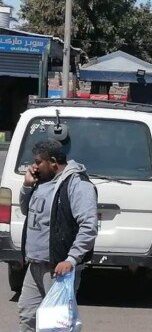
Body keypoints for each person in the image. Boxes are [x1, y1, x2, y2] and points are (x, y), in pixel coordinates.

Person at [18, 139, 98, 332]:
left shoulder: (77, 184)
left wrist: (71, 259)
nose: (34, 166)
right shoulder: (41, 181)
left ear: (53, 162)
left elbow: (89, 226)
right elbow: (27, 211)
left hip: (58, 268)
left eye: (38, 162)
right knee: (28, 316)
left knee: (55, 324)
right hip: (35, 265)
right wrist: (27, 186)